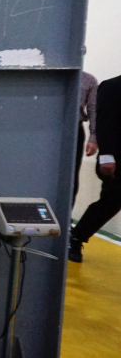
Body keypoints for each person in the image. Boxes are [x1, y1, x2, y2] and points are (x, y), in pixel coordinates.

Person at [71, 74, 119, 263]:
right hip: (116, 157)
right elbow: (104, 123)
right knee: (112, 200)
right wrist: (106, 156)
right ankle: (77, 236)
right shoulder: (113, 86)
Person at [74, 71, 99, 208]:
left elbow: (93, 110)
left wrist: (93, 138)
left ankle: (65, 216)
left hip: (75, 130)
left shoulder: (89, 80)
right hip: (47, 129)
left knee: (71, 176)